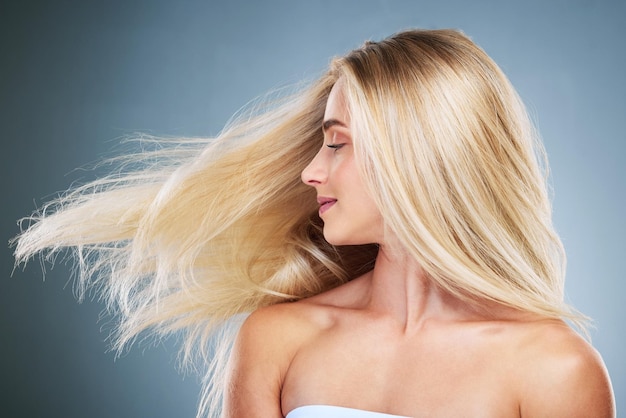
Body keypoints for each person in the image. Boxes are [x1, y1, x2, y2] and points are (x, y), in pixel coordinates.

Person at [13, 29, 614, 417]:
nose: (310, 172)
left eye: (337, 144)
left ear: (418, 156)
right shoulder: (280, 338)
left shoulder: (556, 371)